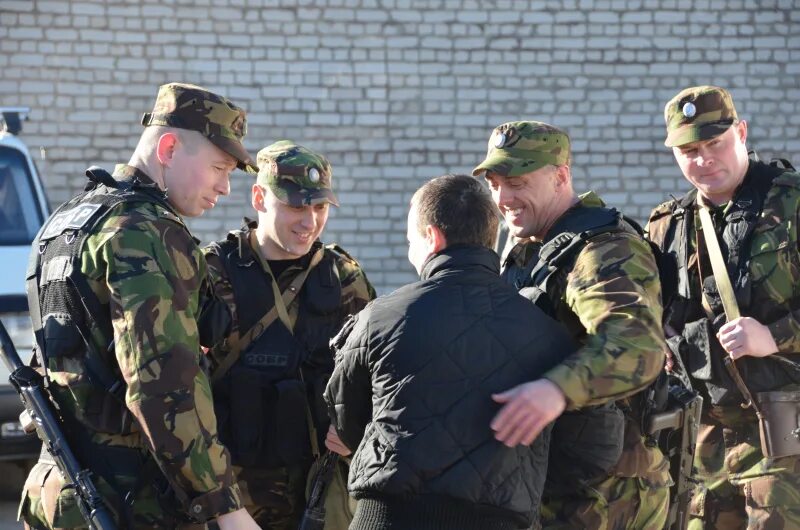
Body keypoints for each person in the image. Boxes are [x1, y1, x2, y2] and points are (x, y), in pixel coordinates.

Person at [18, 82, 261, 530]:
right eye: (219, 168)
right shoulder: (147, 232)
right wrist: (224, 505)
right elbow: (164, 385)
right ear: (169, 147)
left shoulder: (69, 219)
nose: (226, 187)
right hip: (129, 502)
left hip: (58, 490)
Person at [323, 174, 575, 530]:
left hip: (388, 519)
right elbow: (591, 451)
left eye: (411, 240)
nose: (411, 250)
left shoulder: (379, 317)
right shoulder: (549, 333)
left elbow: (346, 418)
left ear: (432, 238)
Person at [473, 121, 671, 529]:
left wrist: (556, 389)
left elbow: (637, 345)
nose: (503, 198)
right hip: (554, 481)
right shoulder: (527, 246)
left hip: (610, 493)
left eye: (517, 183)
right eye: (495, 184)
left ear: (560, 176)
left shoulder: (600, 249)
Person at [646, 85, 800, 529]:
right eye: (689, 149)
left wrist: (774, 336)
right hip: (703, 440)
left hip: (783, 431)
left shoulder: (789, 203)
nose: (703, 159)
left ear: (742, 132)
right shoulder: (667, 225)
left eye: (715, 143)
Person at [201, 140, 375, 529]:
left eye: (320, 207)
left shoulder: (344, 278)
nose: (309, 222)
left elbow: (378, 373)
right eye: (296, 206)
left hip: (319, 489)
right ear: (260, 198)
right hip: (231, 495)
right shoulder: (212, 273)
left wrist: (358, 429)